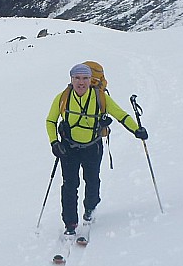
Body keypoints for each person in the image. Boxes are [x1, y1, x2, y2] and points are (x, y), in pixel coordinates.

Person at [45, 63, 148, 233]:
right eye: (77, 78)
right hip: (68, 148)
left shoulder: (100, 97)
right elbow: (50, 121)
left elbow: (121, 115)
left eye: (85, 78)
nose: (81, 82)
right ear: (71, 79)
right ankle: (70, 223)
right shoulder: (63, 97)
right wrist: (54, 142)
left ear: (90, 80)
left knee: (92, 181)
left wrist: (136, 129)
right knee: (69, 185)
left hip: (93, 147)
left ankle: (90, 207)